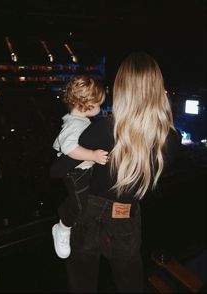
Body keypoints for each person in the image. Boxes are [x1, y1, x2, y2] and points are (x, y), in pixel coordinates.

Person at [50, 52, 181, 293]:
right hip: (126, 215)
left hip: (89, 210)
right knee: (129, 281)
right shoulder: (171, 138)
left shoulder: (103, 128)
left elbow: (57, 171)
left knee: (83, 280)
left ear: (122, 89)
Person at [51, 75, 108, 259]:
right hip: (75, 173)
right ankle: (63, 227)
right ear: (86, 104)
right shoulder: (75, 124)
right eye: (98, 104)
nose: (100, 108)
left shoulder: (79, 121)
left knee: (81, 201)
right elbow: (69, 148)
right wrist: (92, 155)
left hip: (81, 172)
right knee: (79, 207)